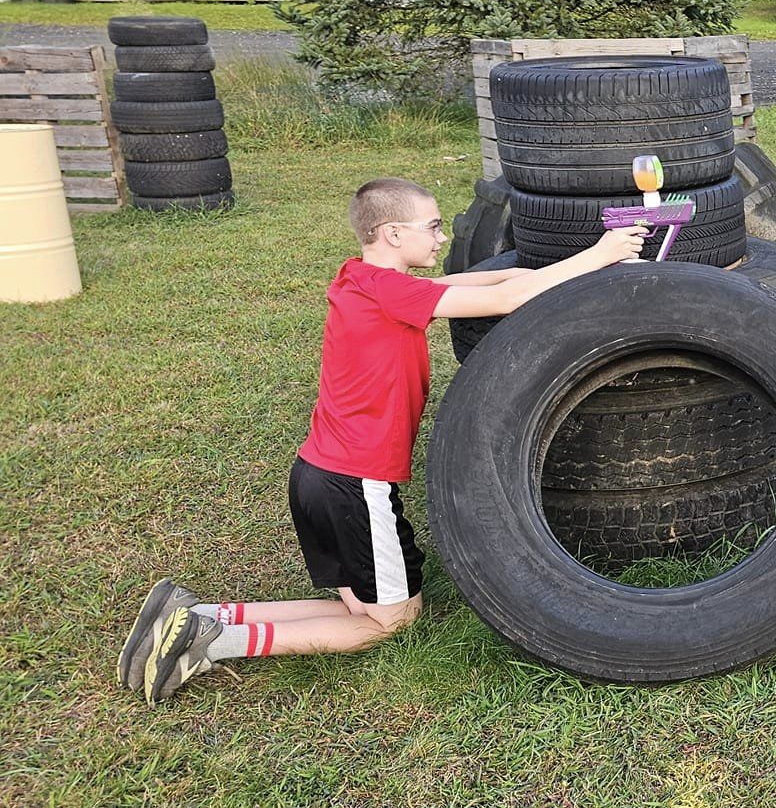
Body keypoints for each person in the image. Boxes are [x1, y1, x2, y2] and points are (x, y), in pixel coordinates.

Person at [119, 177, 648, 704]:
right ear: (393, 233)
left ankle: (199, 616)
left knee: (361, 610)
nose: (441, 239)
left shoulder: (362, 279)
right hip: (357, 484)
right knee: (391, 623)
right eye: (433, 227)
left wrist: (587, 264)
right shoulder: (393, 292)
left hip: (316, 474)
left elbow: (499, 280)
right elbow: (507, 299)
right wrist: (603, 251)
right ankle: (213, 643)